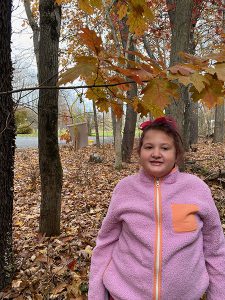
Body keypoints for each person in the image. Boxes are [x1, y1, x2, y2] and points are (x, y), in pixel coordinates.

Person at [88, 116, 225, 300]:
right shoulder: (124, 189)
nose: (156, 153)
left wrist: (218, 295)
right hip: (124, 294)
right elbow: (105, 244)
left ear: (177, 153)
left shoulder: (197, 189)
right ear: (140, 152)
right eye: (149, 147)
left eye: (165, 148)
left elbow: (215, 249)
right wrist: (96, 294)